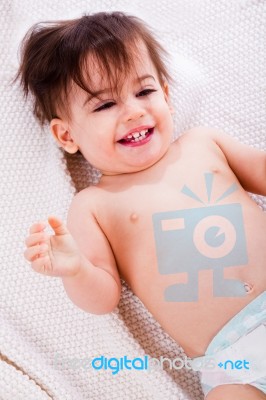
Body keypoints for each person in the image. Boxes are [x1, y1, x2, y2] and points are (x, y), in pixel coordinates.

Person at [19, 12, 266, 399]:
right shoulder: (94, 205)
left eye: (144, 92)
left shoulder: (204, 144)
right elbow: (103, 297)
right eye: (105, 106)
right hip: (230, 363)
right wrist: (75, 268)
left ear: (166, 94)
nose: (133, 111)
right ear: (66, 134)